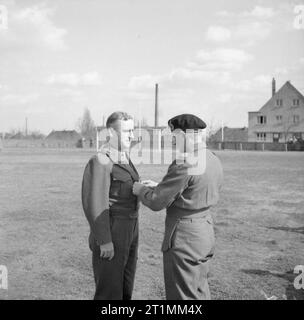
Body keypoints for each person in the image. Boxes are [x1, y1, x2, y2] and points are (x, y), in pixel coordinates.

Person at [133, 114, 223, 300]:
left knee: (182, 295)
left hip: (185, 236)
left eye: (174, 136)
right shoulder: (212, 158)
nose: (172, 141)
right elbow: (192, 189)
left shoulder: (186, 162)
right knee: (198, 290)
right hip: (204, 230)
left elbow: (157, 202)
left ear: (185, 135)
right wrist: (159, 185)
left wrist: (140, 189)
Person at [82, 111, 140, 300]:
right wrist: (104, 239)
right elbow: (95, 203)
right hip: (113, 230)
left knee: (125, 286)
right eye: (127, 131)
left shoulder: (123, 157)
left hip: (130, 229)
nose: (132, 136)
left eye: (133, 130)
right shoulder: (101, 160)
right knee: (109, 291)